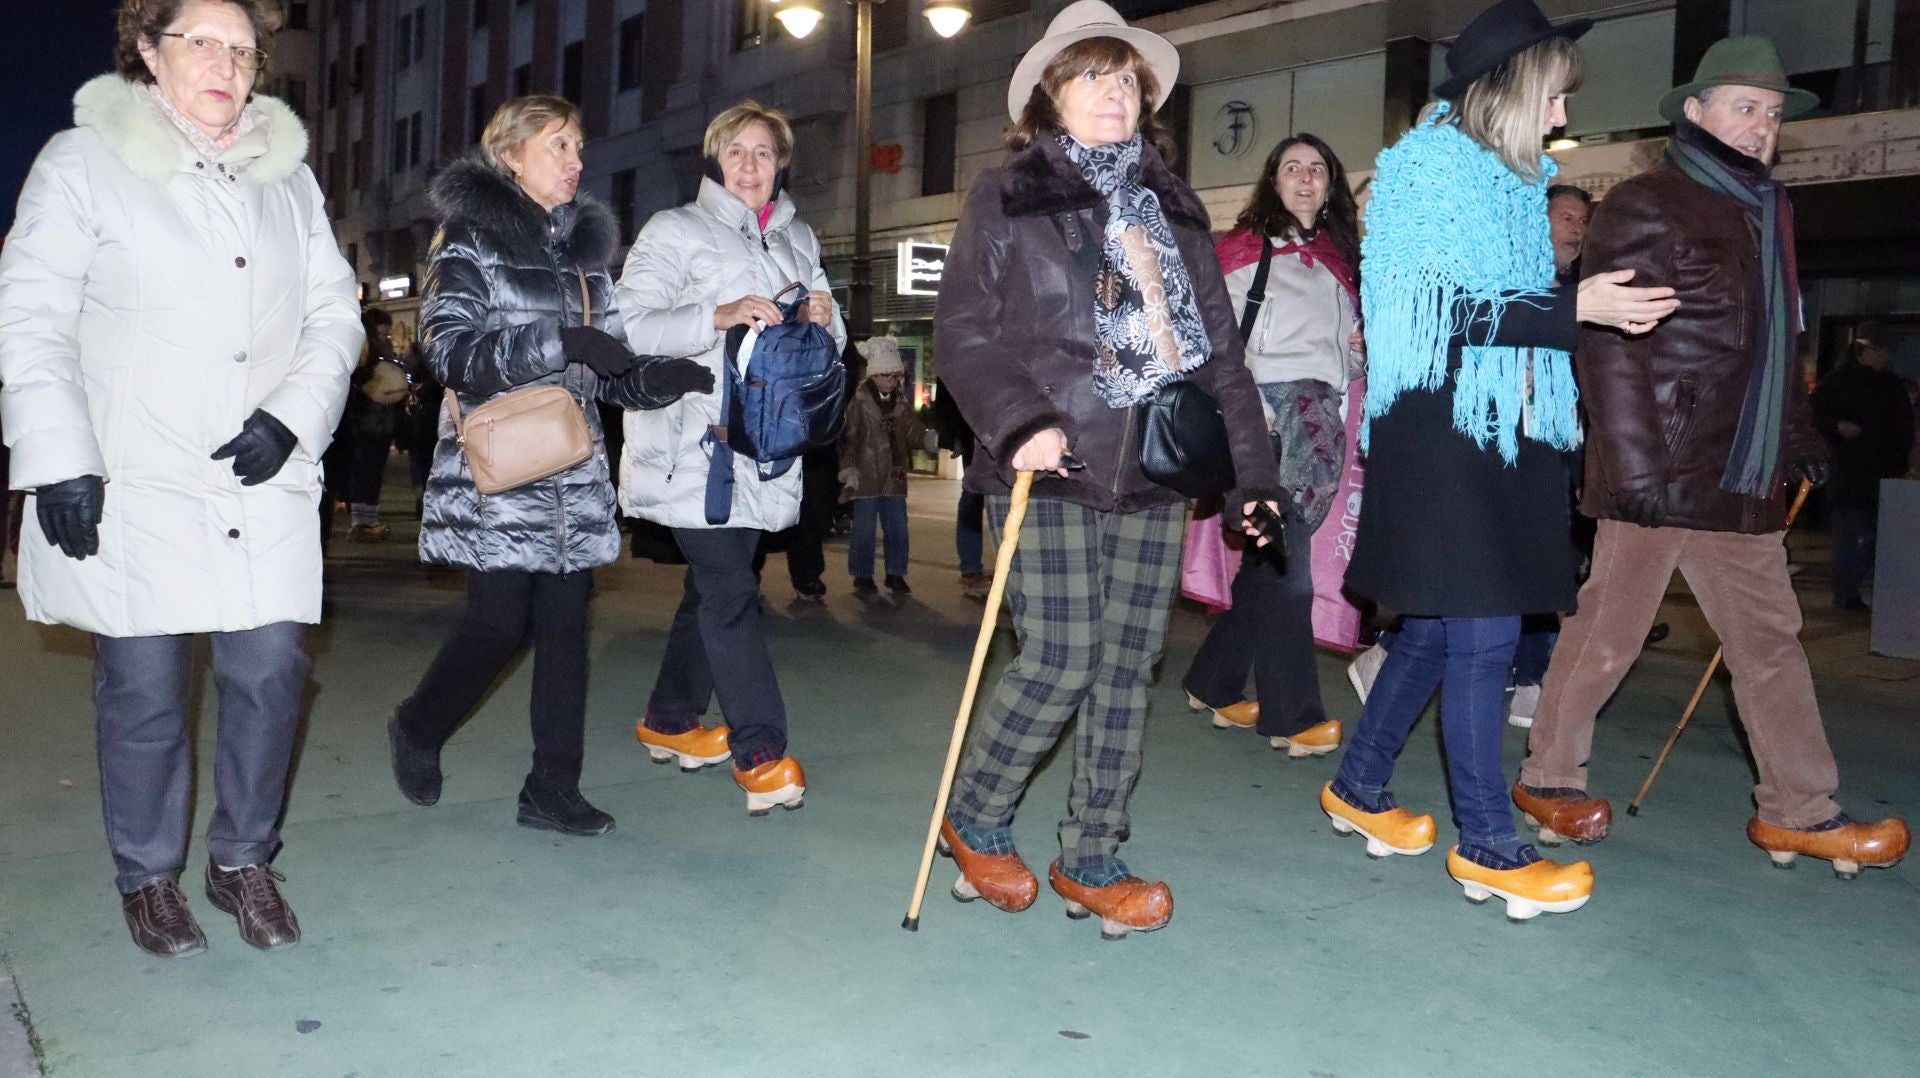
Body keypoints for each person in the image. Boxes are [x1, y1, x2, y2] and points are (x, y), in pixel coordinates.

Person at [0, 0, 363, 957]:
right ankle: (148, 874)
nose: (226, 63)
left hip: (260, 474)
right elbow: (31, 313)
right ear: (148, 53)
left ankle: (243, 858)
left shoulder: (287, 180)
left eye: (242, 49)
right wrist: (59, 459)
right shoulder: (81, 164)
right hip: (135, 473)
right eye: (200, 40)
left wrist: (294, 414)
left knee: (271, 669)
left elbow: (337, 314)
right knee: (146, 688)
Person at [1321, 0, 1683, 920]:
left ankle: (1360, 784)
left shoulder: (1517, 181)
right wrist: (1575, 310)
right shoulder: (1427, 170)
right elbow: (1431, 315)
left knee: (1443, 627)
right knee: (1482, 635)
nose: (1563, 117)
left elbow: (1511, 306)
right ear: (1512, 88)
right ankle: (1488, 843)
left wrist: (1580, 309)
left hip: (1505, 427)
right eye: (1556, 96)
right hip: (1440, 429)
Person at [1517, 37, 1910, 877]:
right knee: (1609, 637)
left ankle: (1799, 811)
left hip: (1740, 472)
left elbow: (1775, 347)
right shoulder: (1647, 201)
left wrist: (1796, 434)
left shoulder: (1769, 213)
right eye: (1745, 107)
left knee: (1772, 641)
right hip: (1660, 469)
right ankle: (1549, 779)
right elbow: (1609, 345)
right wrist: (1634, 467)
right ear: (1693, 113)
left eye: (1771, 114)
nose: (1762, 126)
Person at [935, 1, 1283, 940]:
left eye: (1125, 78)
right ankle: (973, 816)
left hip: (1157, 471)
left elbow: (1219, 356)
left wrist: (1255, 479)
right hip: (1049, 460)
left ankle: (1092, 855)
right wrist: (1021, 423)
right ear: (1051, 95)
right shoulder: (1007, 194)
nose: (1112, 94)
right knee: (1059, 658)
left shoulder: (1174, 206)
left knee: (1128, 667)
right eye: (1091, 76)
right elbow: (963, 333)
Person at [385, 96, 710, 836]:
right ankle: (418, 725)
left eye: (578, 146)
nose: (576, 161)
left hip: (573, 469)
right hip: (502, 467)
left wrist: (664, 377)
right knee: (498, 625)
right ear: (511, 155)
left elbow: (611, 367)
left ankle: (551, 790)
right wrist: (557, 343)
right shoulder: (468, 238)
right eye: (559, 146)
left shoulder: (583, 254)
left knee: (565, 630)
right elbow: (449, 352)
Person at [615, 101, 846, 813]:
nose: (751, 165)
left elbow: (832, 342)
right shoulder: (676, 230)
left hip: (766, 448)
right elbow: (625, 324)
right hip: (693, 451)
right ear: (717, 160)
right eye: (737, 152)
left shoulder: (799, 238)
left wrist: (825, 325)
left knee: (713, 589)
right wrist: (714, 316)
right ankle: (761, 752)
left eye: (764, 152)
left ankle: (670, 719)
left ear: (781, 162)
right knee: (731, 593)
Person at [1179, 132, 1361, 758]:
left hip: (1322, 413)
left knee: (1273, 556)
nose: (1306, 178)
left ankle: (1214, 681)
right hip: (1272, 414)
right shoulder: (1242, 250)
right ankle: (1293, 713)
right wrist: (1248, 406)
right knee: (1292, 562)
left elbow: (1339, 348)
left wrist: (1354, 355)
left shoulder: (1341, 258)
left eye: (1318, 167)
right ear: (1272, 180)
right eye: (1292, 168)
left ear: (1331, 183)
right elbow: (1208, 337)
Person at [1811, 320, 1915, 609]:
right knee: (1852, 536)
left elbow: (1905, 427)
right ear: (1863, 350)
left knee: (1878, 539)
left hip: (1886, 473)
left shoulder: (1892, 385)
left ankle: (1864, 590)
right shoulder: (1837, 382)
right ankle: (1847, 592)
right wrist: (1837, 426)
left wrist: (1905, 461)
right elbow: (1813, 417)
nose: (1886, 357)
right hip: (1849, 473)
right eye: (1880, 351)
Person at [839, 336, 937, 597]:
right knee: (864, 530)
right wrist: (849, 470)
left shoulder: (901, 404)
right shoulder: (859, 403)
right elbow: (850, 438)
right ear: (874, 375)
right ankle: (862, 575)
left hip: (894, 476)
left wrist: (929, 439)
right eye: (887, 376)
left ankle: (895, 574)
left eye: (895, 376)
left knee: (897, 528)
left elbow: (913, 432)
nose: (892, 381)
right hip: (866, 475)